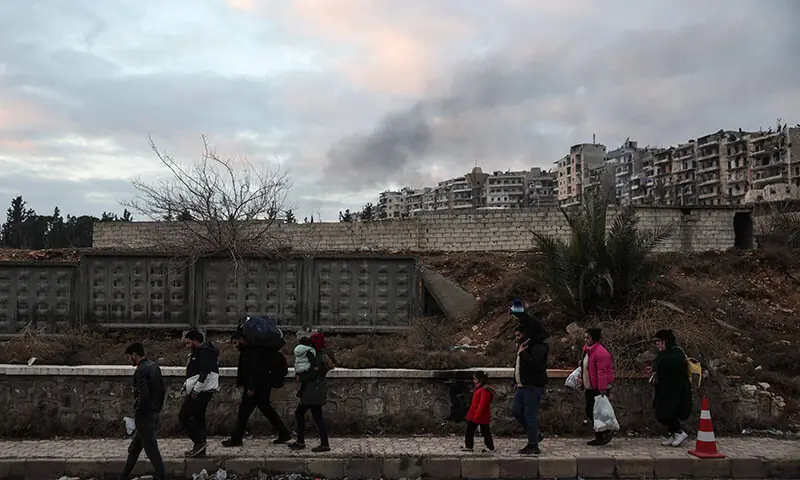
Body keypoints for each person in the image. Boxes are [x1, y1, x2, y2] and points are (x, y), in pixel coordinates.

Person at [222, 328, 292, 447]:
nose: (235, 346)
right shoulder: (252, 350)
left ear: (242, 340)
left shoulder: (252, 351)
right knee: (266, 410)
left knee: (244, 413)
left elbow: (255, 370)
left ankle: (236, 439)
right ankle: (284, 432)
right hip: (262, 386)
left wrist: (251, 387)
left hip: (255, 388)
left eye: (235, 342)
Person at [118, 343, 167, 480]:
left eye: (129, 358)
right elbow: (162, 391)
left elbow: (143, 395)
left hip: (144, 416)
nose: (129, 361)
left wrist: (137, 412)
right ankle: (122, 477)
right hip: (153, 413)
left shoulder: (140, 371)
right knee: (134, 450)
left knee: (152, 451)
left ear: (134, 355)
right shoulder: (154, 366)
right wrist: (157, 409)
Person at [510, 302, 549, 455]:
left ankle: (533, 444)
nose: (518, 338)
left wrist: (523, 354)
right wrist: (515, 381)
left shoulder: (538, 347)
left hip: (533, 386)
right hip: (522, 386)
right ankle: (536, 435)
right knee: (516, 411)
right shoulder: (523, 346)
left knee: (530, 415)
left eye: (520, 334)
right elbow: (518, 366)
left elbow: (536, 365)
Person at [179, 330, 219, 457]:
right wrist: (186, 386)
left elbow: (204, 373)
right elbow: (194, 373)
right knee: (198, 418)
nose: (186, 345)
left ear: (195, 341)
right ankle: (200, 449)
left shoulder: (205, 353)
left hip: (202, 391)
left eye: (188, 342)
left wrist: (196, 390)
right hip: (202, 390)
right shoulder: (199, 353)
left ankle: (199, 442)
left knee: (184, 415)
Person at [650, 329, 693, 447]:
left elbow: (669, 365)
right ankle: (674, 433)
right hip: (665, 389)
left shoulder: (677, 352)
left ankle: (679, 432)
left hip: (676, 389)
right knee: (661, 412)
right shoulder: (664, 353)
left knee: (669, 411)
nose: (657, 344)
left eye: (659, 341)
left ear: (666, 341)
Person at [288, 343, 332, 452]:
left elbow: (311, 374)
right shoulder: (323, 355)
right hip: (315, 391)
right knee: (310, 415)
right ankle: (302, 441)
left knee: (314, 417)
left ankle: (321, 444)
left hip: (311, 393)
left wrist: (300, 376)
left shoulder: (316, 357)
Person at [581, 328, 615, 446]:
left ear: (594, 339)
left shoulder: (601, 352)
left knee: (596, 412)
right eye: (585, 337)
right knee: (591, 411)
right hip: (590, 385)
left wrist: (602, 388)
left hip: (597, 387)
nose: (585, 340)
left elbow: (602, 371)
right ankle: (600, 434)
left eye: (588, 338)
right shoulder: (587, 351)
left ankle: (604, 432)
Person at [462, 370, 495, 453]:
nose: (474, 381)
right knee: (473, 431)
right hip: (476, 414)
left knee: (485, 432)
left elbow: (482, 405)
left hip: (480, 415)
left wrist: (477, 414)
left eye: (475, 379)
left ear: (480, 380)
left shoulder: (484, 390)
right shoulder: (480, 388)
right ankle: (469, 446)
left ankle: (490, 447)